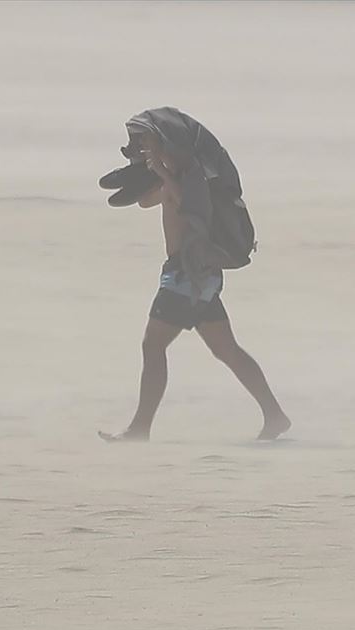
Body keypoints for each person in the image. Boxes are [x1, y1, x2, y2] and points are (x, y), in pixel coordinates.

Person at [100, 115, 290, 442]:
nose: (142, 147)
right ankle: (275, 415)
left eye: (147, 141)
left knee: (153, 344)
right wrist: (152, 169)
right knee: (227, 351)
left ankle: (140, 429)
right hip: (201, 277)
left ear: (164, 142)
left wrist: (161, 171)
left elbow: (188, 204)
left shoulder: (188, 178)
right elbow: (146, 201)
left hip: (184, 276)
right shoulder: (178, 176)